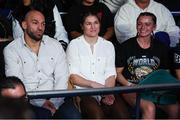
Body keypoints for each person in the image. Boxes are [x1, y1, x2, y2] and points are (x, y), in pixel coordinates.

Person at [3, 9, 81, 119]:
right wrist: (41, 103)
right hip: (28, 100)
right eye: (35, 23)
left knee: (73, 116)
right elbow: (17, 83)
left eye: (43, 24)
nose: (40, 27)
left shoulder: (55, 45)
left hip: (56, 97)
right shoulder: (11, 50)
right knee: (41, 115)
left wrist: (54, 103)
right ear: (24, 25)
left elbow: (62, 77)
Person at [115, 12, 179, 119]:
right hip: (131, 89)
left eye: (147, 24)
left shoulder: (161, 47)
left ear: (154, 27)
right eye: (140, 24)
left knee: (175, 108)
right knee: (149, 107)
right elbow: (117, 73)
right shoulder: (125, 46)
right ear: (136, 25)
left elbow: (165, 73)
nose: (143, 27)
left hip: (153, 89)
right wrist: (130, 85)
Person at [66, 12, 129, 119]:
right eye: (88, 23)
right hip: (83, 92)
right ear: (82, 26)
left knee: (123, 115)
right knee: (97, 116)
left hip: (106, 89)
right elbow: (73, 77)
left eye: (96, 23)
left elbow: (110, 73)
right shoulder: (74, 45)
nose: (93, 27)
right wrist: (94, 85)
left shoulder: (108, 45)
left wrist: (108, 92)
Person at [114, 0, 180, 47]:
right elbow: (122, 36)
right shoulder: (124, 10)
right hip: (134, 52)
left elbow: (173, 32)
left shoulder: (162, 9)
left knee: (161, 36)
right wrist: (144, 44)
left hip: (161, 52)